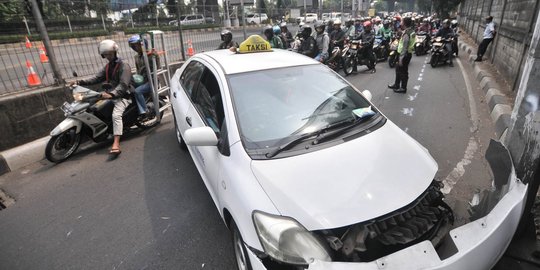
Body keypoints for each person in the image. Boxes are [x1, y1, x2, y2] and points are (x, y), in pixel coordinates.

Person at [76, 39, 132, 155]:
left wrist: (112, 94)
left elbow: (123, 85)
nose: (108, 56)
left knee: (116, 115)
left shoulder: (124, 66)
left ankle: (116, 143)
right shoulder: (108, 66)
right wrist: (79, 82)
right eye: (105, 54)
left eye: (109, 54)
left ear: (115, 52)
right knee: (89, 103)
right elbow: (96, 78)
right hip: (109, 94)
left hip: (123, 96)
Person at [128, 35, 156, 122]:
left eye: (137, 45)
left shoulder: (150, 55)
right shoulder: (136, 57)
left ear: (143, 45)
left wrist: (155, 56)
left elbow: (157, 66)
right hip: (142, 80)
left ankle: (144, 111)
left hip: (151, 81)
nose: (135, 47)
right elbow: (138, 71)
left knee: (137, 91)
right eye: (134, 46)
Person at [388, 17, 415, 93]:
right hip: (404, 54)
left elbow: (405, 47)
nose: (400, 23)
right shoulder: (410, 31)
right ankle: (396, 84)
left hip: (404, 55)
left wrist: (401, 58)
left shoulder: (407, 34)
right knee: (398, 69)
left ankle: (403, 88)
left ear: (404, 23)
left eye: (402, 21)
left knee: (403, 72)